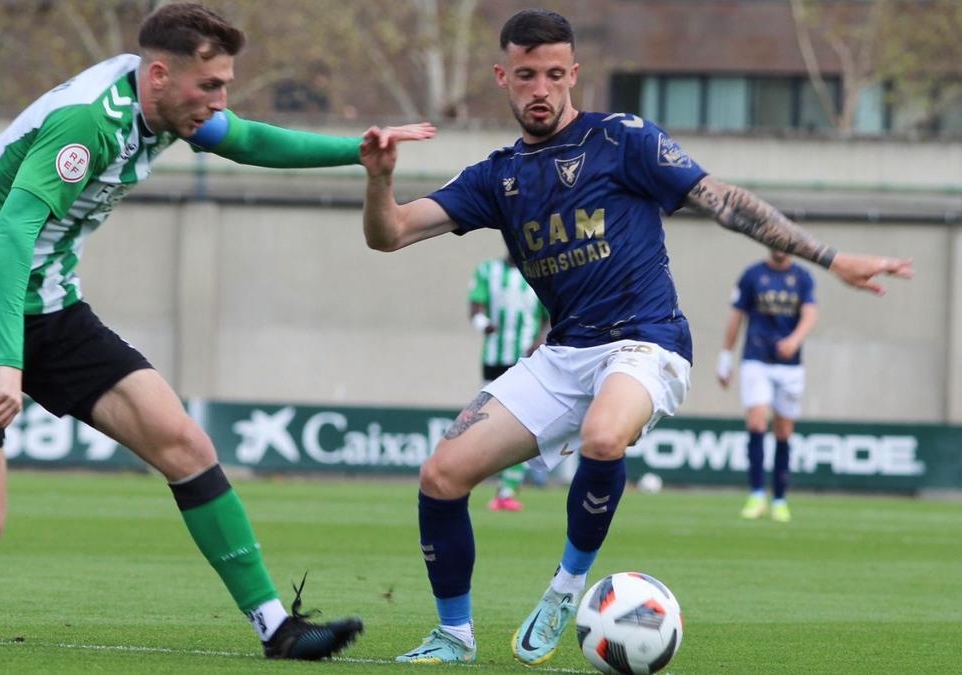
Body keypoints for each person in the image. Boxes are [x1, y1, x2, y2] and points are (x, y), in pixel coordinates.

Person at [0, 3, 434, 661]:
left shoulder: (168, 108)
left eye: (224, 86)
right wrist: (10, 364)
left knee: (183, 441)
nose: (219, 101)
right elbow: (11, 235)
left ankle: (277, 625)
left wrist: (355, 152)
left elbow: (246, 139)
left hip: (52, 302)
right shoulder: (87, 123)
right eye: (209, 87)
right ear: (160, 74)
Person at [358, 8, 911, 666]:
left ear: (574, 75)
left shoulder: (622, 140)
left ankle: (567, 587)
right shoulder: (496, 177)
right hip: (564, 352)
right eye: (527, 75)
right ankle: (454, 635)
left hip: (646, 340)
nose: (542, 88)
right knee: (441, 473)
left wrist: (828, 256)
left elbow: (721, 199)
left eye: (555, 75)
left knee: (601, 433)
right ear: (503, 77)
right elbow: (389, 234)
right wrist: (379, 178)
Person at [717, 249, 818, 523]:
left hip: (790, 365)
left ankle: (780, 499)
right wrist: (725, 356)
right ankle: (757, 494)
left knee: (784, 430)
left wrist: (794, 340)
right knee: (757, 422)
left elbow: (810, 314)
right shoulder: (752, 275)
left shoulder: (802, 277)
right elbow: (736, 316)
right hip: (756, 360)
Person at [468, 256, 548, 512]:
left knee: (523, 423)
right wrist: (483, 324)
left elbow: (550, 317)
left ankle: (507, 490)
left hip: (524, 361)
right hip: (493, 360)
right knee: (484, 422)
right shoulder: (487, 270)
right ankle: (468, 478)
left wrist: (539, 343)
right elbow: (475, 308)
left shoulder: (541, 272)